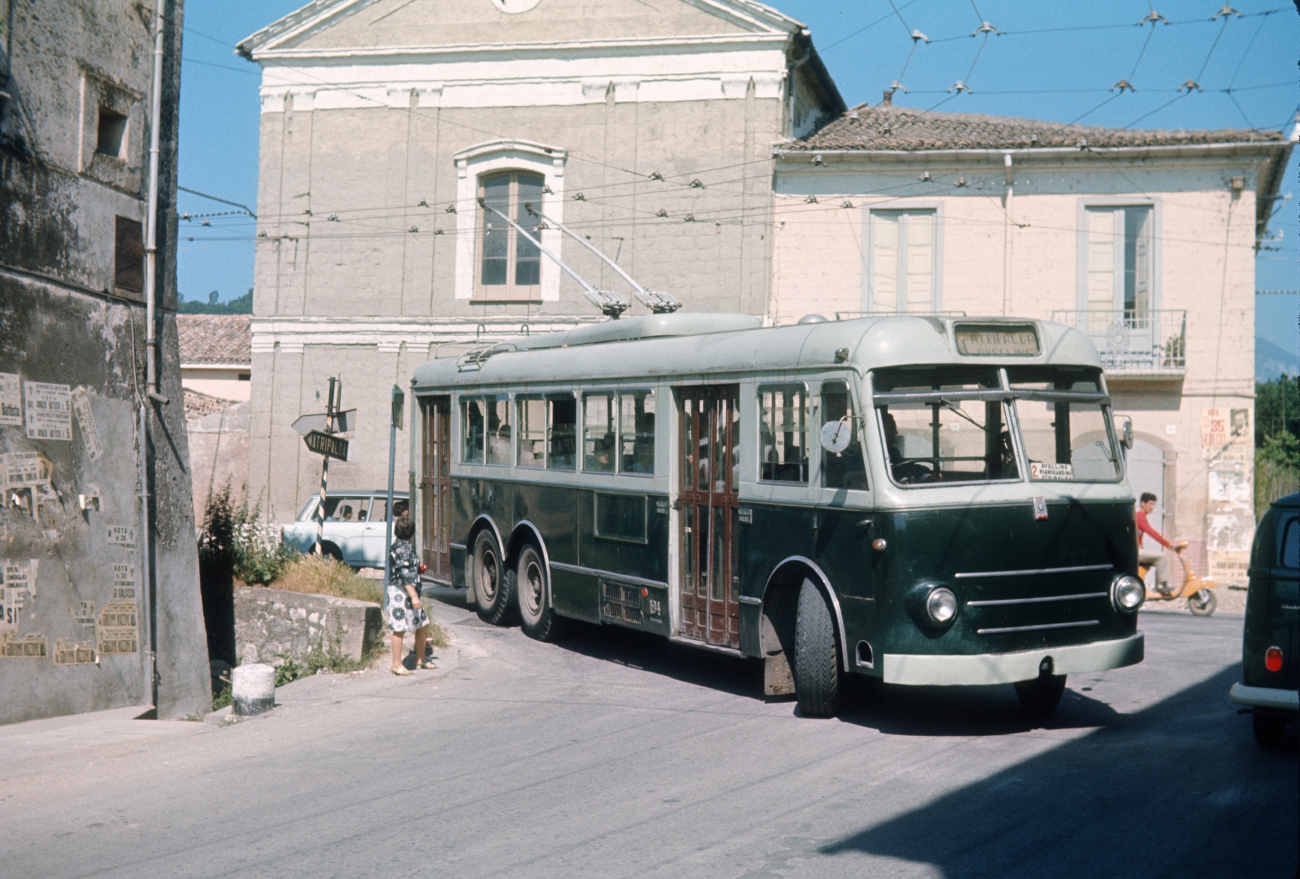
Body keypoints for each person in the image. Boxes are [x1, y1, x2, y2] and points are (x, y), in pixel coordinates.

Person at [386, 514, 432, 675]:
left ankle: (421, 658)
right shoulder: (402, 548)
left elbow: (407, 568)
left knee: (423, 623)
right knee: (399, 628)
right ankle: (396, 664)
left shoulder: (401, 545)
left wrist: (418, 568)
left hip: (407, 591)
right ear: (412, 532)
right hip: (401, 592)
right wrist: (414, 596)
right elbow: (404, 574)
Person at [1136, 493, 1184, 592]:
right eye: (1150, 504)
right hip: (1135, 551)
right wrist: (1169, 545)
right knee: (1161, 557)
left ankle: (1147, 585)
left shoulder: (1141, 516)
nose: (1152, 507)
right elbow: (1152, 532)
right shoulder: (1139, 516)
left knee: (1154, 560)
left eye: (1153, 504)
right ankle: (1162, 585)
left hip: (1136, 550)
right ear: (1142, 503)